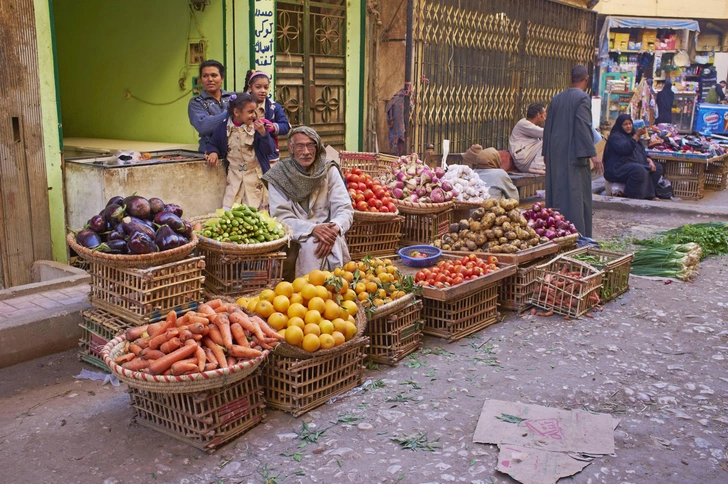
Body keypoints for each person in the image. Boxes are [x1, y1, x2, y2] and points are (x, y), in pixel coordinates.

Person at [262, 126, 354, 278]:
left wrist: (334, 227)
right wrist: (312, 229)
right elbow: (281, 218)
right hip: (297, 236)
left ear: (317, 148)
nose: (306, 151)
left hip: (330, 234)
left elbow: (344, 208)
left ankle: (338, 291)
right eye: (300, 146)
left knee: (333, 242)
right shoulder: (278, 175)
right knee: (312, 245)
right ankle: (307, 294)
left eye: (311, 145)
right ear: (291, 148)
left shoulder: (328, 170)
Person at [542, 65, 601, 238]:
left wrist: (546, 153)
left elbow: (548, 127)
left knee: (557, 191)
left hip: (555, 153)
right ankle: (577, 235)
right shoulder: (583, 98)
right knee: (576, 193)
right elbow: (583, 126)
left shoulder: (557, 98)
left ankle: (555, 231)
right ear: (586, 80)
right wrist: (593, 153)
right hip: (575, 154)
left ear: (570, 79)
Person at [205, 93, 277, 210]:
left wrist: (263, 133)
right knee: (231, 208)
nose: (253, 115)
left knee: (256, 211)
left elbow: (269, 150)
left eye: (255, 111)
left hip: (254, 177)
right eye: (250, 112)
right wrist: (213, 152)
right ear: (237, 112)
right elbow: (213, 143)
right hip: (234, 176)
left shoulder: (257, 128)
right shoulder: (223, 128)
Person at [603, 114, 663, 201]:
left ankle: (648, 194)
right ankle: (633, 196)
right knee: (639, 170)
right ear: (620, 126)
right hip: (618, 167)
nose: (628, 126)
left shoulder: (632, 135)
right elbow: (625, 149)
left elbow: (642, 151)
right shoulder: (615, 137)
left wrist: (650, 161)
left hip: (632, 163)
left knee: (657, 168)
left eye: (630, 124)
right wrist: (637, 135)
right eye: (625, 124)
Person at [188, 60, 233, 152]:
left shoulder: (234, 98)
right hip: (209, 153)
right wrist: (231, 113)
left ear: (222, 78)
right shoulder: (196, 102)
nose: (210, 79)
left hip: (236, 153)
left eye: (214, 75)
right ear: (201, 79)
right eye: (205, 76)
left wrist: (213, 119)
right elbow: (204, 126)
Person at [244, 70, 291, 153]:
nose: (263, 91)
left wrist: (274, 127)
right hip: (246, 151)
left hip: (268, 152)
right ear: (250, 87)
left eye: (266, 87)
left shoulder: (274, 107)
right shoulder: (241, 105)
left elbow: (286, 126)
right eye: (258, 87)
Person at [509, 102, 547, 174]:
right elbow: (546, 133)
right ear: (539, 115)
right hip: (522, 159)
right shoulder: (524, 124)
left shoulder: (530, 125)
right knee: (547, 141)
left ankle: (538, 166)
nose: (545, 119)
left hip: (526, 158)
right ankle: (536, 167)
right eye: (544, 115)